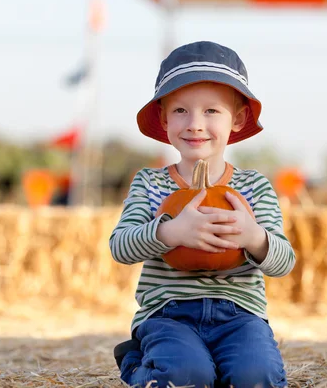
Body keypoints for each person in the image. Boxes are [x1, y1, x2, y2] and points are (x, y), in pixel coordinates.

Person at [109, 41, 296, 388]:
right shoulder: (149, 183)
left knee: (257, 378)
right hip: (168, 316)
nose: (195, 124)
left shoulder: (254, 188)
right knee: (186, 377)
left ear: (237, 119)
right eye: (180, 110)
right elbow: (120, 247)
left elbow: (283, 262)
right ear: (164, 118)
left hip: (240, 317)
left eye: (212, 111)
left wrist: (253, 237)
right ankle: (137, 364)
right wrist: (169, 233)